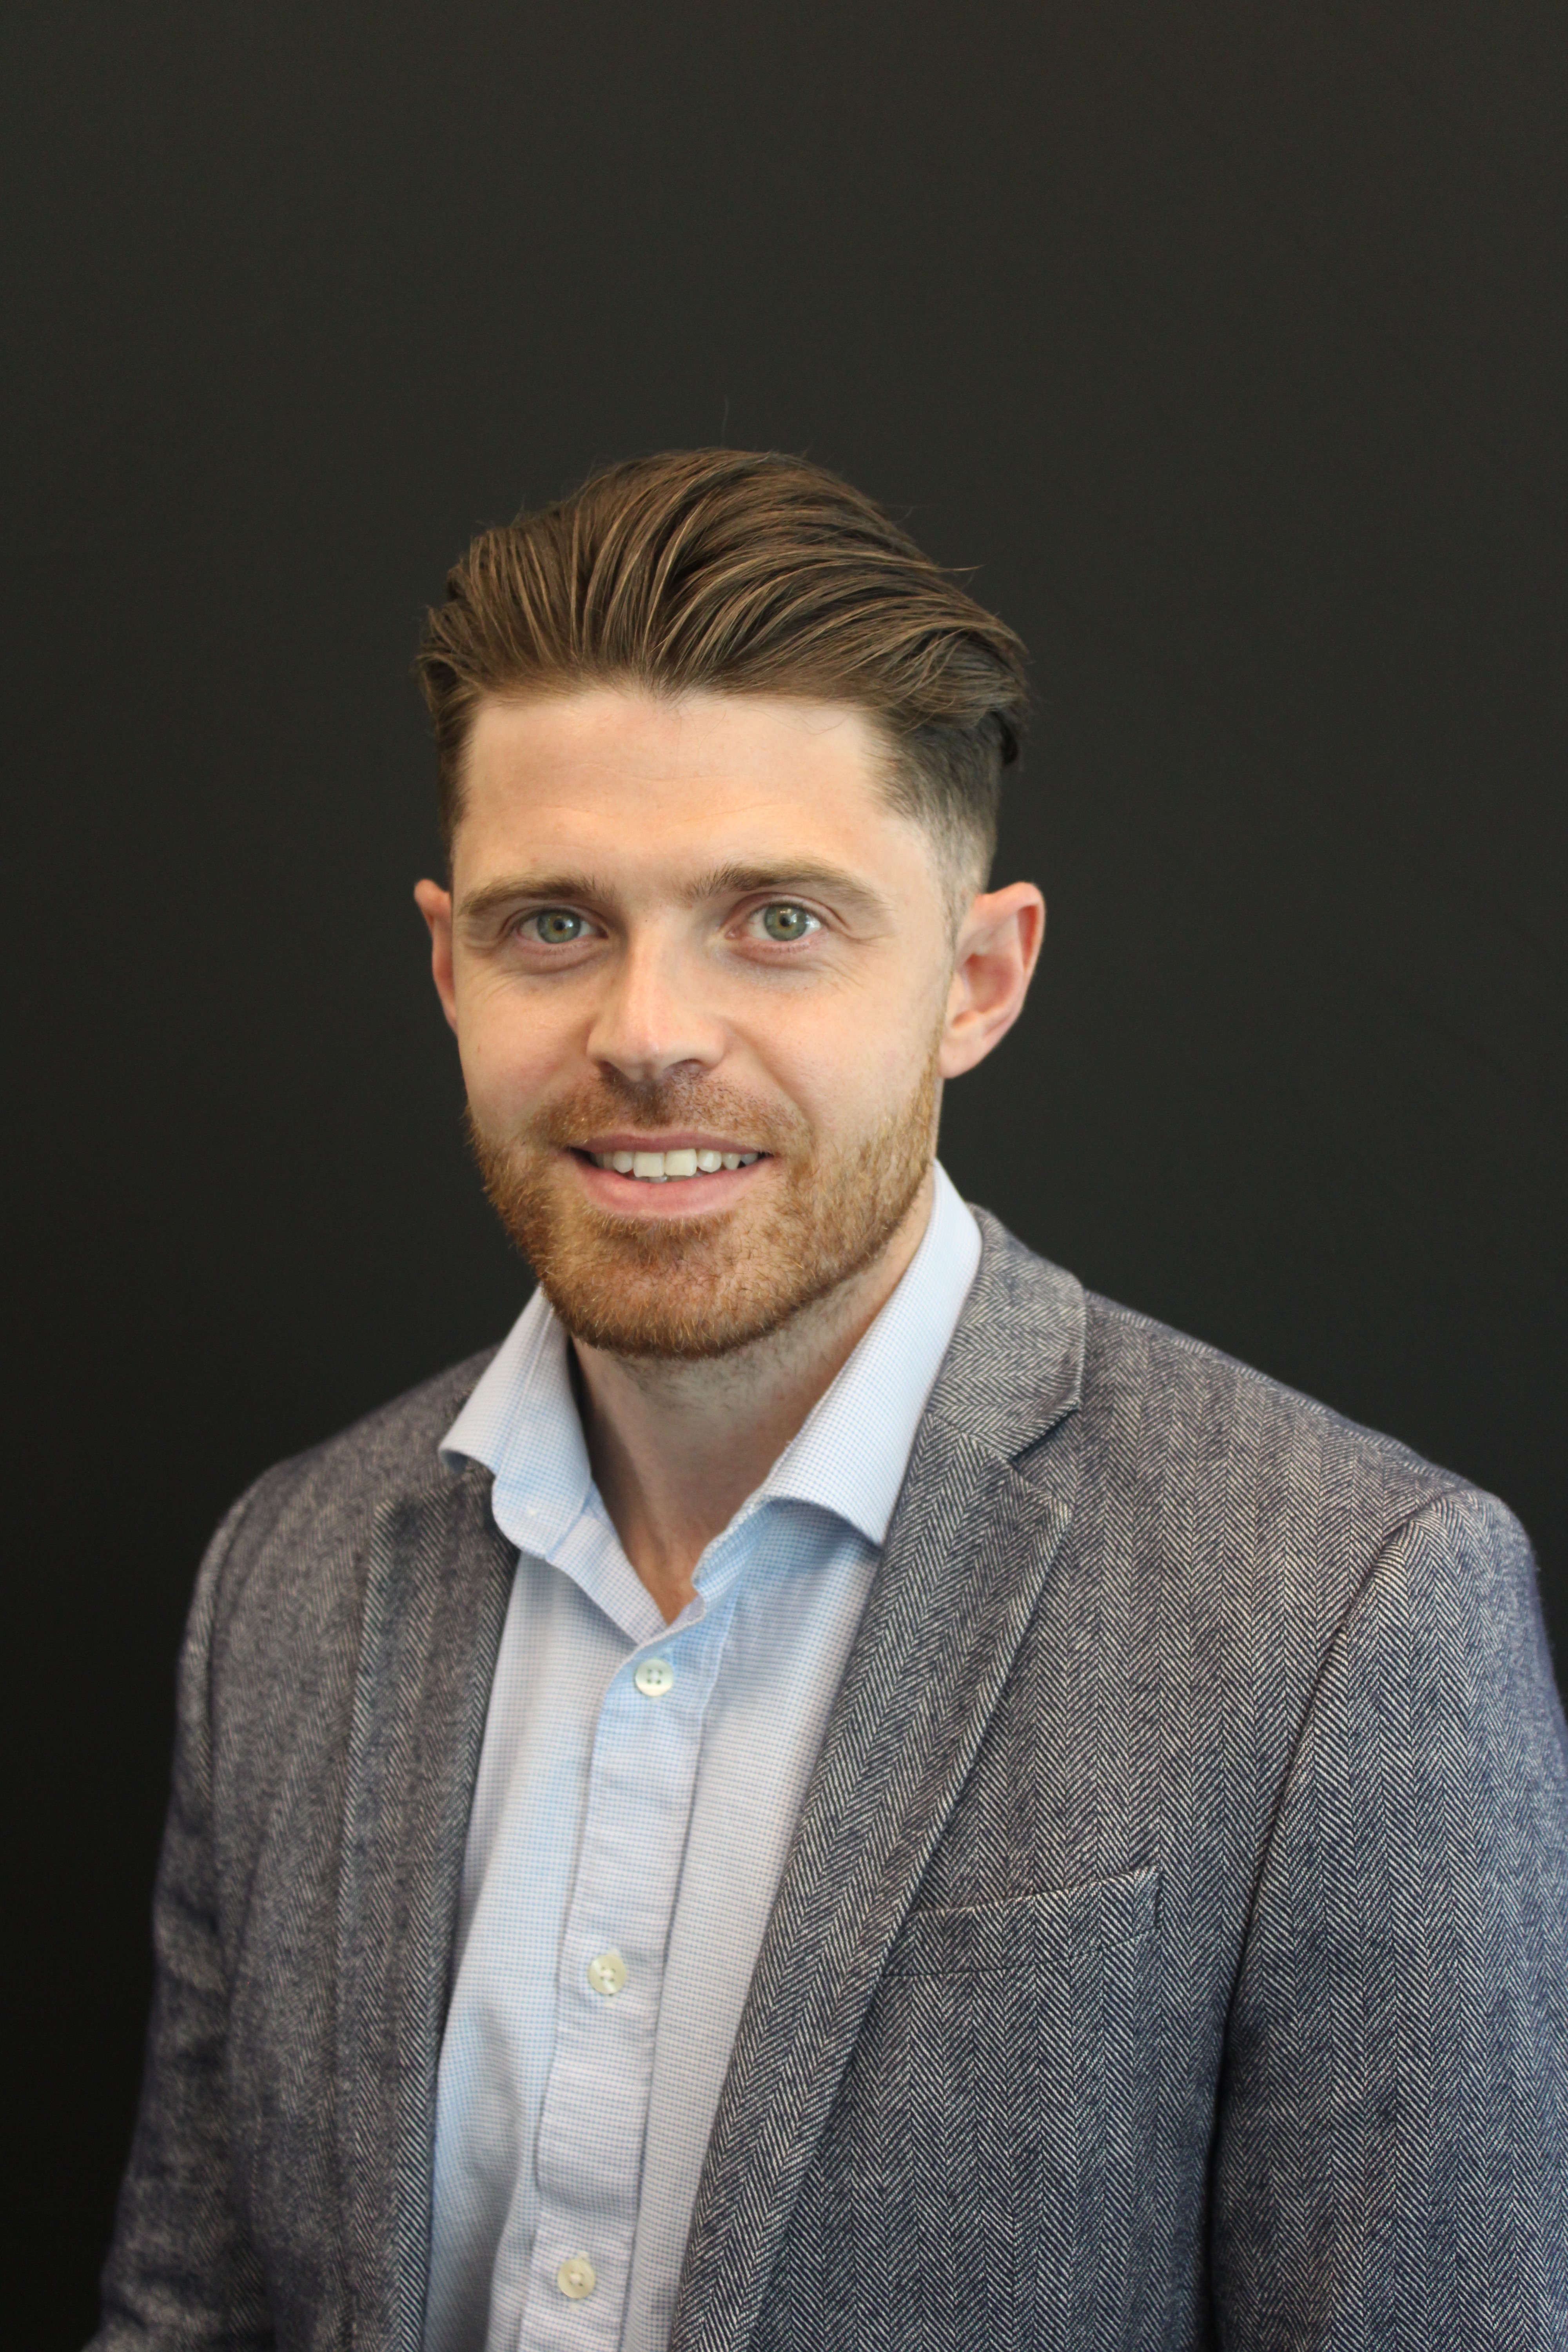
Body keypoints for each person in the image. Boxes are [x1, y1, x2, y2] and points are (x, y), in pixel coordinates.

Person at [93, 449, 1568, 2352]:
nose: (647, 1032)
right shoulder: (286, 1577)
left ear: (976, 978)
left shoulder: (1349, 1613)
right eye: (557, 925)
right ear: (450, 966)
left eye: (777, 920)